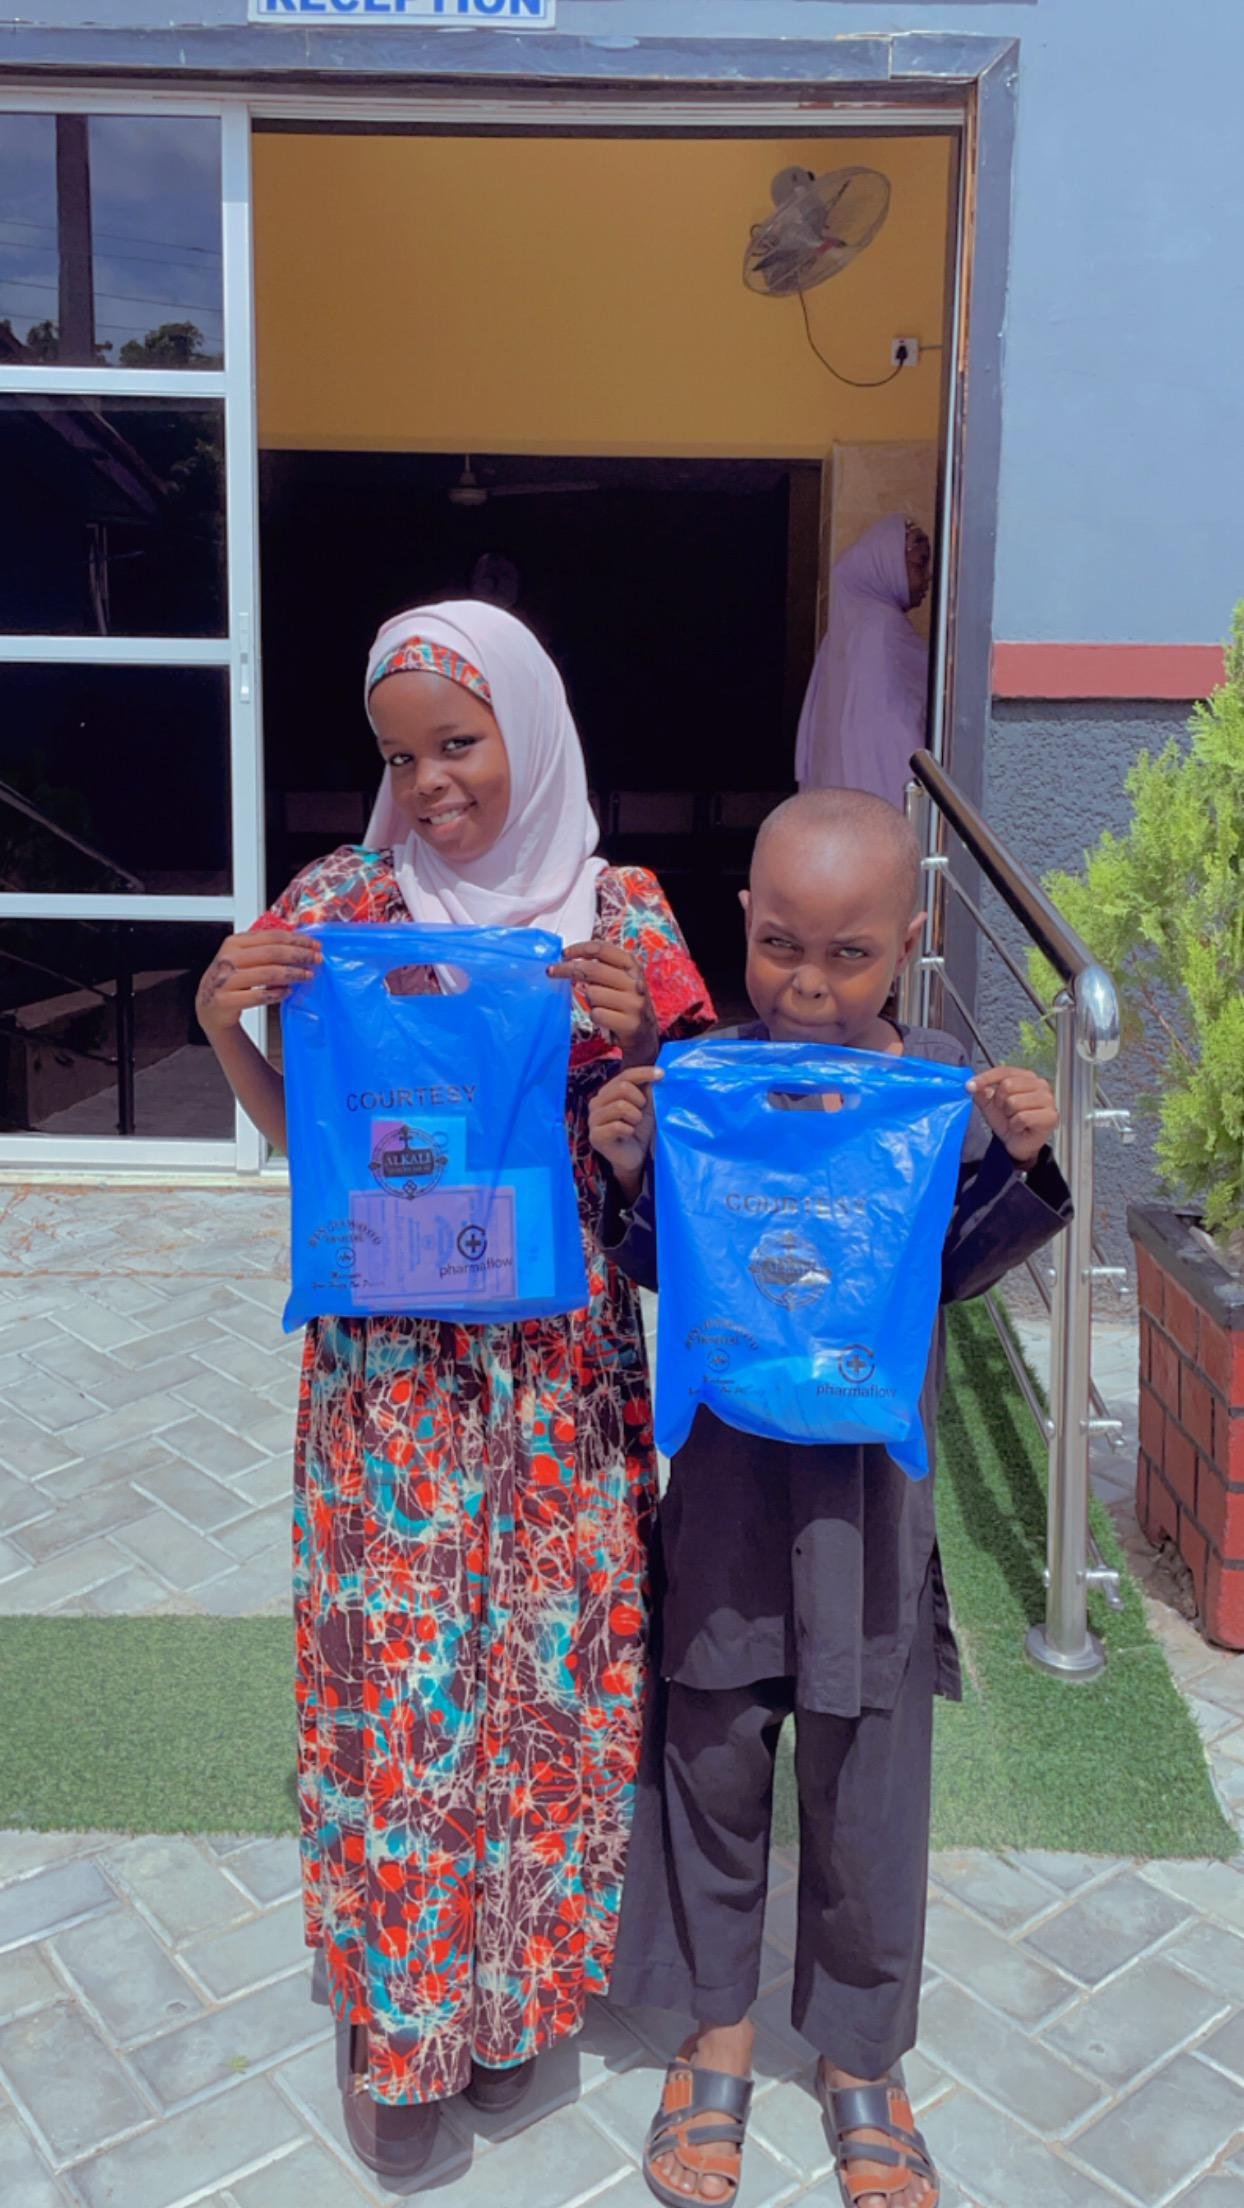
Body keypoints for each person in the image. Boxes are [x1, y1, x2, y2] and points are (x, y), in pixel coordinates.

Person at [195, 601, 713, 2182]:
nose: (428, 781)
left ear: (533, 733)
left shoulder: (622, 917)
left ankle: (520, 2009)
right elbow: (310, 1150)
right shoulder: (345, 904)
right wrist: (228, 1025)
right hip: (390, 1400)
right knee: (402, 1701)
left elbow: (701, 1166)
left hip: (557, 1386)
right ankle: (405, 2032)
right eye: (399, 755)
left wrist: (649, 1058)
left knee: (547, 1694)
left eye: (459, 742)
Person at [587, 788, 1069, 2208]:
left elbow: (962, 1272)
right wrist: (626, 1163)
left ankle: (860, 2056)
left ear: (911, 949)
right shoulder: (709, 1089)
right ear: (743, 923)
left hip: (868, 1513)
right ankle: (717, 2030)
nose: (808, 984)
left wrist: (1022, 1161)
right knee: (714, 1758)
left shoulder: (935, 1105)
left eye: (848, 956)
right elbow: (665, 1263)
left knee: (867, 1792)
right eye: (782, 945)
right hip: (730, 1497)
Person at [795, 515, 932, 809]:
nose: (928, 578)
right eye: (920, 564)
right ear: (887, 564)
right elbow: (901, 721)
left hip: (841, 794)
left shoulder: (845, 629)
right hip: (880, 787)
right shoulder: (883, 626)